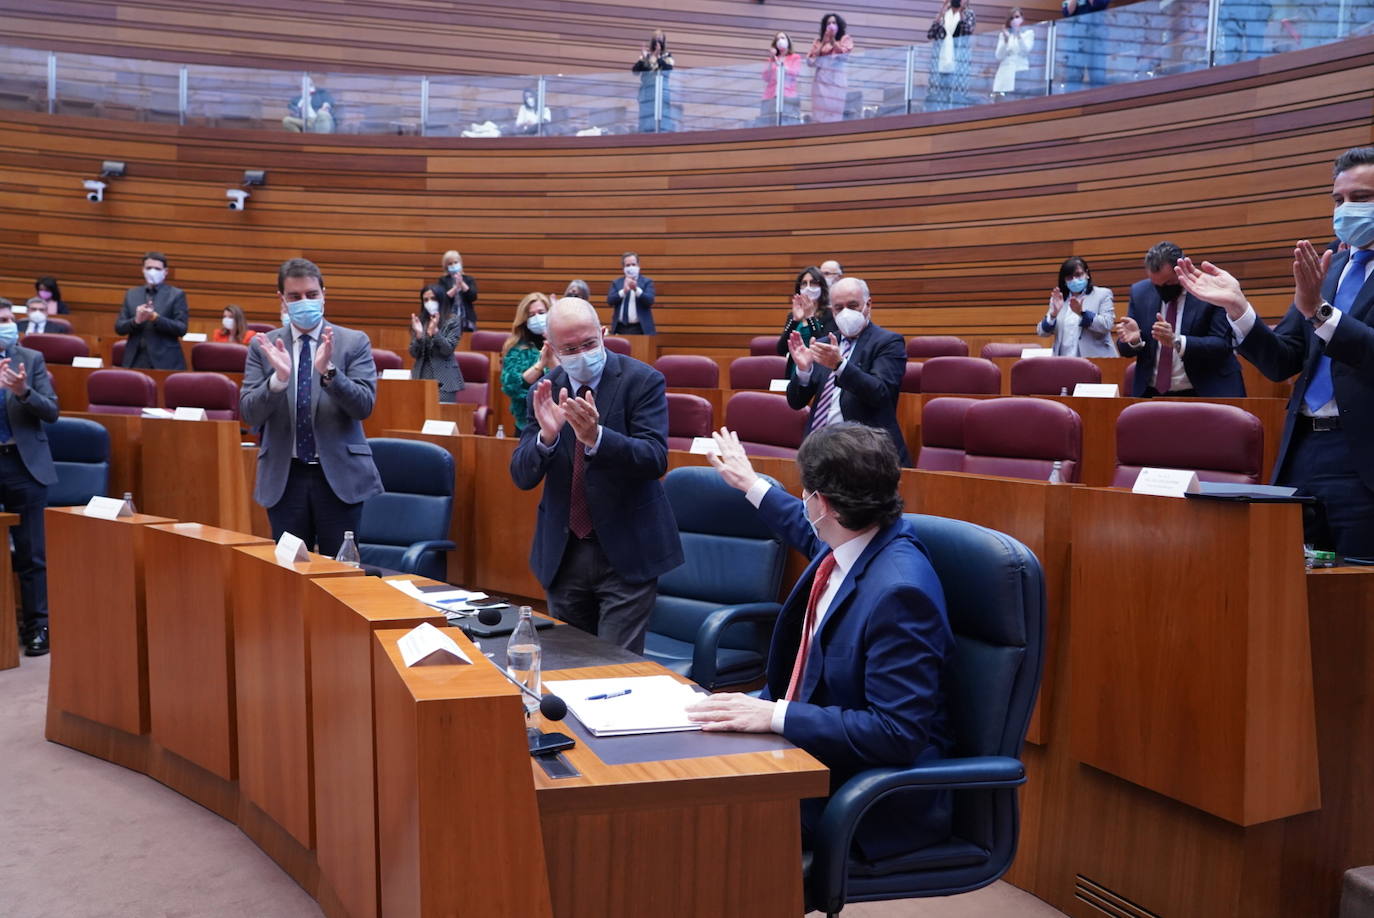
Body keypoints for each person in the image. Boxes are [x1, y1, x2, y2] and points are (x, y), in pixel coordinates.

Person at [686, 423, 953, 861]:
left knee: (701, 819)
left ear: (822, 503)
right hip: (812, 755)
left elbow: (897, 733)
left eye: (805, 492)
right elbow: (802, 527)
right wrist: (749, 482)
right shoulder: (853, 537)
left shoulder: (900, 592)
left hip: (860, 791)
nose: (803, 502)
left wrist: (776, 714)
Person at [1171, 147, 1374, 557]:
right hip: (1304, 448)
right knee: (1293, 594)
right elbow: (1283, 360)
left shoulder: (1319, 286)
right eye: (1338, 200)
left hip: (1364, 462)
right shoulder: (1329, 267)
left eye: (1361, 198)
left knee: (1361, 599)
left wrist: (1319, 310)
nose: (1345, 209)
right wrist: (1238, 308)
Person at [508, 297, 682, 652]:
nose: (582, 353)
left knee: (615, 672)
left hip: (626, 551)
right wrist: (547, 437)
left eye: (589, 343)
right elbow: (521, 476)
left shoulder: (643, 381)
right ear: (553, 349)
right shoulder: (544, 391)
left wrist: (597, 438)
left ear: (603, 334)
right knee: (568, 667)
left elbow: (654, 459)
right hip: (564, 552)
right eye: (570, 348)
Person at [240, 258, 382, 557]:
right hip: (285, 476)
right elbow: (249, 413)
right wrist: (277, 381)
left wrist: (329, 371)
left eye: (311, 294)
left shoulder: (352, 342)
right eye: (294, 297)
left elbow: (363, 406)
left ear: (323, 294)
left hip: (339, 478)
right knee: (290, 573)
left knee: (340, 573)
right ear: (282, 299)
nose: (304, 302)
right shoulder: (264, 346)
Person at [786, 276, 910, 465]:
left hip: (867, 456)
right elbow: (796, 402)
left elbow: (881, 393)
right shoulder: (823, 344)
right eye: (838, 308)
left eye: (852, 306)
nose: (845, 313)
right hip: (818, 454)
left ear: (868, 304)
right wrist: (803, 371)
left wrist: (840, 365)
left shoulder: (888, 342)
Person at [0, 300, 60, 657]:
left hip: (24, 465)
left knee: (32, 553)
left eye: (7, 320)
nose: (4, 326)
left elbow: (51, 411)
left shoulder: (31, 359)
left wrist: (23, 392)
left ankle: (37, 626)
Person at [1115, 241, 1245, 397]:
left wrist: (1177, 341)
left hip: (1206, 390)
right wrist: (1134, 340)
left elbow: (1222, 345)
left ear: (1181, 268)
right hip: (1153, 393)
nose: (1162, 290)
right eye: (1157, 285)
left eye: (1169, 283)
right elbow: (1125, 349)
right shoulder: (1140, 292)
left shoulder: (1211, 290)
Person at [115, 252, 188, 370]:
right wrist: (136, 321)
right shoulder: (132, 294)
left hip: (166, 361)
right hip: (135, 359)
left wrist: (155, 318)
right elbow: (119, 327)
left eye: (157, 268)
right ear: (143, 270)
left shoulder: (176, 295)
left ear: (165, 272)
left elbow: (181, 328)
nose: (153, 271)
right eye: (149, 268)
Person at [1036, 256, 1116, 356]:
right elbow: (1042, 332)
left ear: (1087, 274)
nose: (1074, 280)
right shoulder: (1059, 299)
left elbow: (1107, 325)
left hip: (1095, 360)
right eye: (1069, 277)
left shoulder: (1102, 294)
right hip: (1064, 362)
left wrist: (1082, 314)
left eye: (1078, 275)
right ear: (1064, 281)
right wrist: (1053, 315)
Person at [501, 292, 556, 433]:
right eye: (531, 315)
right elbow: (511, 386)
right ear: (524, 320)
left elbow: (569, 379)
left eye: (541, 312)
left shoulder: (563, 344)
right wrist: (540, 364)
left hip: (560, 422)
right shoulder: (515, 348)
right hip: (527, 425)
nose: (537, 318)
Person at [409, 284, 465, 403]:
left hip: (444, 380)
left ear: (441, 299)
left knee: (442, 418)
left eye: (433, 299)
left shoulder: (452, 320)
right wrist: (418, 336)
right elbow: (413, 353)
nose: (429, 302)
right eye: (426, 300)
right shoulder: (421, 321)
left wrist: (436, 333)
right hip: (421, 376)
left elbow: (447, 350)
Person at [776, 266, 838, 371]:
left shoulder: (830, 314)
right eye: (804, 283)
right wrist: (795, 321)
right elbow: (781, 349)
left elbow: (823, 347)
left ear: (821, 287)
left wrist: (810, 318)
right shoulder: (793, 315)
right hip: (794, 370)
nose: (808, 287)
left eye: (813, 283)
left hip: (819, 371)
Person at [927, 0, 977, 111]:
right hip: (941, 61)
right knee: (939, 97)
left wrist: (961, 12)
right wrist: (941, 12)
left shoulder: (969, 14)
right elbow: (931, 34)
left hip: (958, 63)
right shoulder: (945, 13)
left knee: (957, 98)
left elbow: (967, 32)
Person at [807, 13, 854, 123]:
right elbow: (810, 60)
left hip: (836, 80)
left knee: (835, 113)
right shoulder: (818, 42)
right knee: (819, 115)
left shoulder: (845, 39)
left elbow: (843, 55)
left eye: (834, 23)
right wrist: (823, 41)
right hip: (820, 81)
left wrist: (833, 41)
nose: (831, 25)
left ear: (839, 25)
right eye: (828, 23)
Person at [1059, 0, 1111, 90]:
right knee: (1073, 77)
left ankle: (1099, 101)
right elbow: (1067, 12)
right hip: (1075, 41)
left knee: (1097, 76)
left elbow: (1097, 4)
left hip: (1095, 39)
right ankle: (1072, 102)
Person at [632, 30, 675, 133]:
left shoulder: (668, 56)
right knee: (646, 120)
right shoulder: (646, 56)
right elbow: (635, 71)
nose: (658, 41)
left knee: (662, 120)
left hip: (661, 93)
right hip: (647, 94)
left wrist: (657, 56)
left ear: (664, 41)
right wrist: (645, 58)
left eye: (660, 38)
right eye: (656, 38)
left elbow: (667, 69)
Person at [607, 252, 657, 335]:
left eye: (633, 264)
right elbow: (610, 301)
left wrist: (636, 289)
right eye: (628, 265)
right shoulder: (617, 283)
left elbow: (649, 300)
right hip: (620, 328)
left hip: (640, 328)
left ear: (638, 266)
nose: (631, 267)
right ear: (623, 267)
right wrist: (624, 291)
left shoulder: (647, 282)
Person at [762, 31, 803, 124]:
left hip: (788, 96)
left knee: (786, 122)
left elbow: (795, 72)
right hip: (771, 96)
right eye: (778, 39)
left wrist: (782, 67)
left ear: (788, 41)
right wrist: (772, 59)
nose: (780, 40)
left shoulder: (795, 57)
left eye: (783, 38)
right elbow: (765, 77)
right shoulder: (770, 60)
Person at [993, 8, 1036, 99]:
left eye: (1017, 17)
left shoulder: (1028, 33)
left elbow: (1026, 50)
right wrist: (1006, 40)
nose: (1014, 20)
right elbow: (998, 56)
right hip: (1005, 73)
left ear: (1022, 18)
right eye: (1012, 18)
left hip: (1020, 72)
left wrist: (1018, 35)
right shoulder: (1004, 35)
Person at [434, 250, 478, 332]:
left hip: (467, 319)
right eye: (450, 264)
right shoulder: (443, 280)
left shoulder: (469, 279)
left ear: (460, 263)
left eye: (455, 262)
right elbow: (443, 299)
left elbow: (473, 297)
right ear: (446, 266)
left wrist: (461, 283)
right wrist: (455, 288)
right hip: (448, 319)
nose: (453, 265)